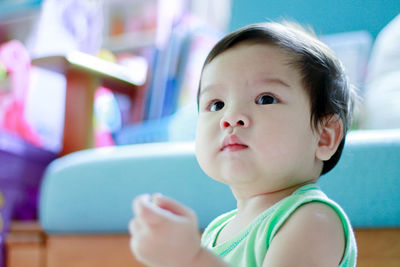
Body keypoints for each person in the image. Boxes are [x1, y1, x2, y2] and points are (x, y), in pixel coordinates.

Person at [129, 21, 358, 267]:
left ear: (325, 136)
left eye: (265, 98)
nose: (231, 117)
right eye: (216, 104)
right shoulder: (217, 230)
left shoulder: (314, 220)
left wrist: (191, 258)